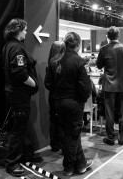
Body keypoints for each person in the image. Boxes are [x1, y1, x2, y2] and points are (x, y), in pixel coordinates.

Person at [45, 32, 93, 176]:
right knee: (72, 134)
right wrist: (81, 100)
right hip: (74, 104)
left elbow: (48, 83)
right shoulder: (79, 61)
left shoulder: (54, 60)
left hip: (59, 103)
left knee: (69, 133)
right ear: (77, 44)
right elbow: (86, 88)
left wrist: (59, 94)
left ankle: (81, 164)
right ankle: (69, 167)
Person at [2, 18, 41, 177]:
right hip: (19, 94)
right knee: (18, 129)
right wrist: (34, 84)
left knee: (21, 127)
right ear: (18, 30)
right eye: (24, 29)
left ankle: (25, 155)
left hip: (15, 93)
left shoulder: (8, 46)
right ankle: (12, 164)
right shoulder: (16, 48)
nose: (26, 32)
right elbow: (19, 72)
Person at [96, 26, 123, 146]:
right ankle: (121, 138)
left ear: (107, 36)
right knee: (122, 112)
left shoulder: (104, 49)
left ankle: (110, 138)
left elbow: (98, 65)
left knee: (109, 112)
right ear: (118, 36)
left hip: (109, 85)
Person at [44, 41, 66, 152]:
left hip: (53, 97)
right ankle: (62, 145)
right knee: (63, 121)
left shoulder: (50, 63)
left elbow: (47, 83)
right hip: (62, 97)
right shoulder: (64, 62)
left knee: (53, 120)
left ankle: (55, 144)